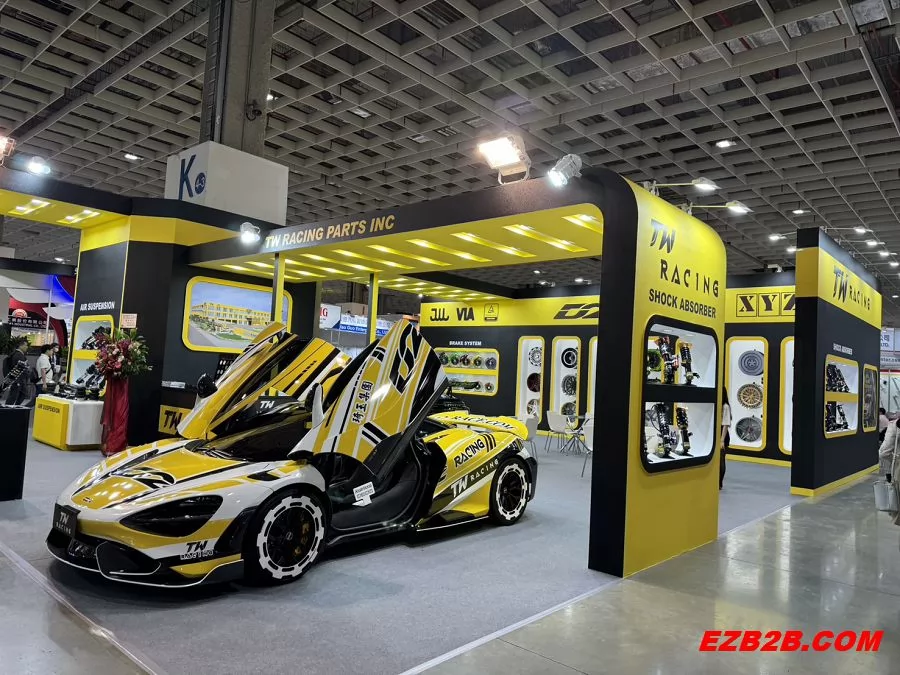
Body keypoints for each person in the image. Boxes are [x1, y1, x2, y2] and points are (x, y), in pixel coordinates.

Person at [4, 338, 30, 406]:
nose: (27, 347)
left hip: (17, 379)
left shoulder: (16, 354)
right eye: (26, 345)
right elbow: (20, 368)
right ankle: (8, 409)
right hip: (17, 379)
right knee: (14, 395)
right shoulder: (18, 355)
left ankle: (15, 407)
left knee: (22, 394)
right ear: (21, 346)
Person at [720, 389, 731, 490]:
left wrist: (722, 440)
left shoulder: (725, 406)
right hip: (717, 434)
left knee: (721, 459)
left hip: (722, 435)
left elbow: (726, 424)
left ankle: (719, 483)